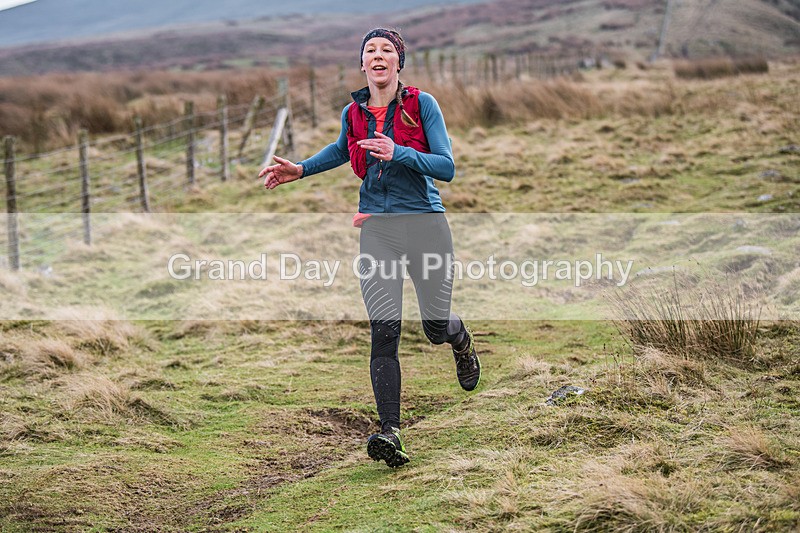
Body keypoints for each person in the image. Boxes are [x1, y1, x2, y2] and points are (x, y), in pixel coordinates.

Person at [259, 28, 480, 468]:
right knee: (385, 330)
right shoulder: (353, 112)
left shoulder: (422, 105)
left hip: (425, 225)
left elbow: (447, 167)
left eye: (386, 51)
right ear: (362, 64)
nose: (378, 56)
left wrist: (399, 152)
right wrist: (300, 169)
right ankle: (390, 433)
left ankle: (459, 339)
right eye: (370, 51)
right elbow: (343, 150)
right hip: (377, 231)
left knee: (434, 325)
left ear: (399, 62)